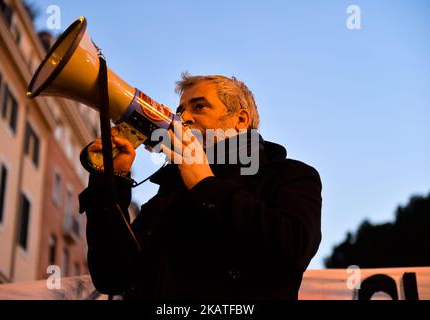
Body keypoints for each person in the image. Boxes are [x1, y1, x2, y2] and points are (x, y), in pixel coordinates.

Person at [78, 73, 322, 300]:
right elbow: (111, 276)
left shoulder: (290, 175)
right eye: (180, 110)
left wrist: (206, 185)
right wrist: (111, 180)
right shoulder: (171, 191)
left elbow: (293, 247)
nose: (184, 118)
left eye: (199, 106)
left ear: (240, 119)